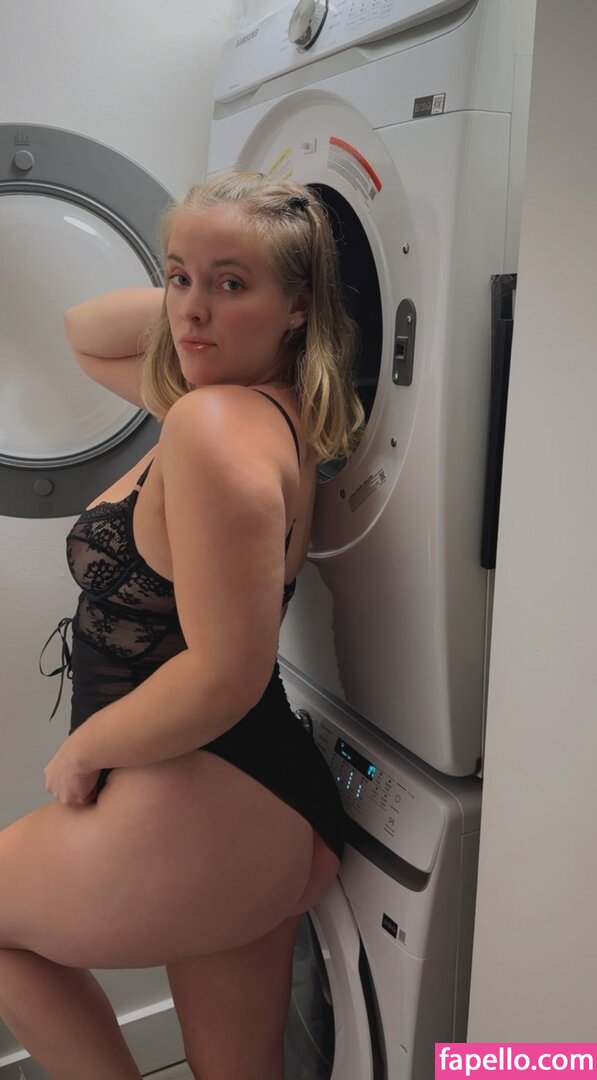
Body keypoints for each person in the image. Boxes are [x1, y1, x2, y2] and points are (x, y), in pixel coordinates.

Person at [0, 170, 363, 1080]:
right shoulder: (264, 407)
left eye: (232, 283)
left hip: (204, 799)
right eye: (177, 276)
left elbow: (222, 673)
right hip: (256, 809)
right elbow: (85, 331)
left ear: (298, 306)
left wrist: (84, 751)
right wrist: (209, 294)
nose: (193, 309)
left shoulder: (209, 426)